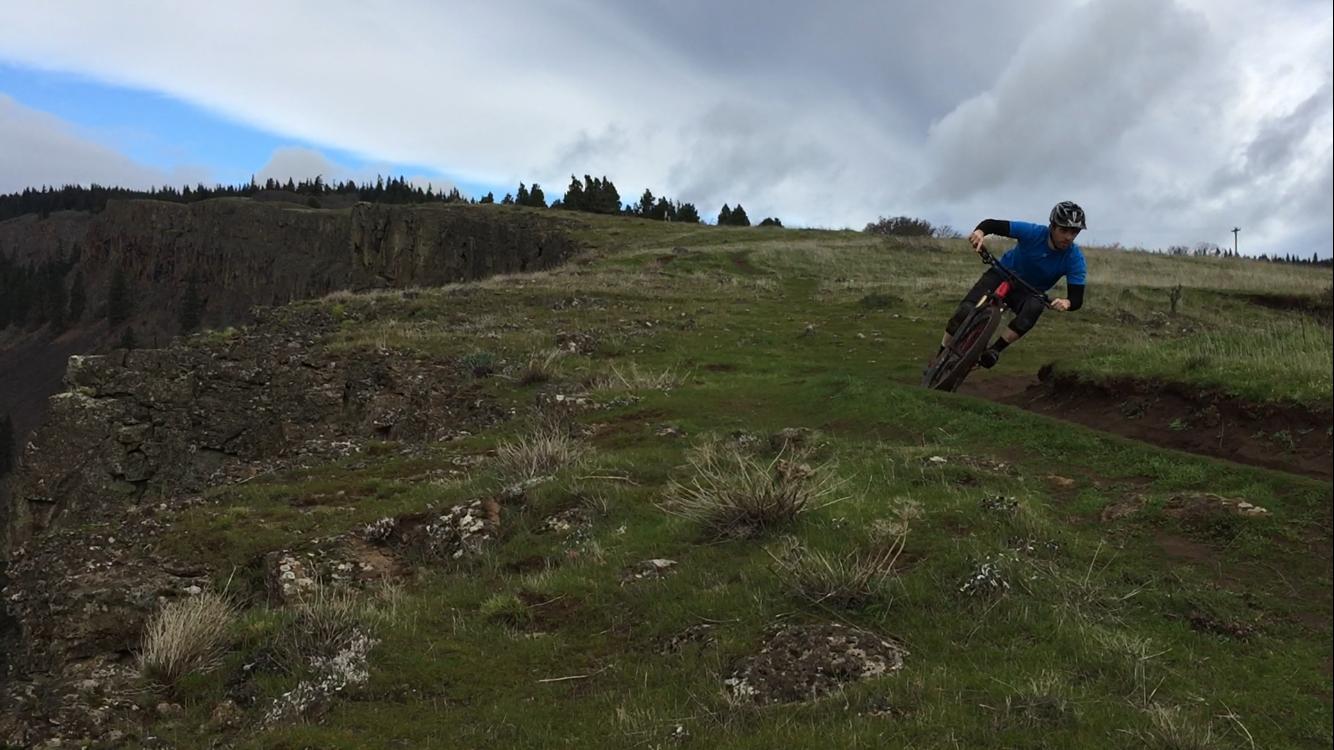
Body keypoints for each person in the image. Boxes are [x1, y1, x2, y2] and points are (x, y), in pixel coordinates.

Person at [938, 201, 1088, 368]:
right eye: (1064, 230)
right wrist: (980, 233)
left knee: (1035, 307)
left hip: (1028, 292)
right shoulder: (1033, 232)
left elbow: (1077, 298)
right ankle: (941, 353)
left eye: (1074, 232)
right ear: (1052, 226)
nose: (1068, 237)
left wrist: (1066, 303)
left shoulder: (1075, 259)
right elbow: (992, 224)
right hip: (1002, 274)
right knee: (965, 311)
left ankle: (995, 350)